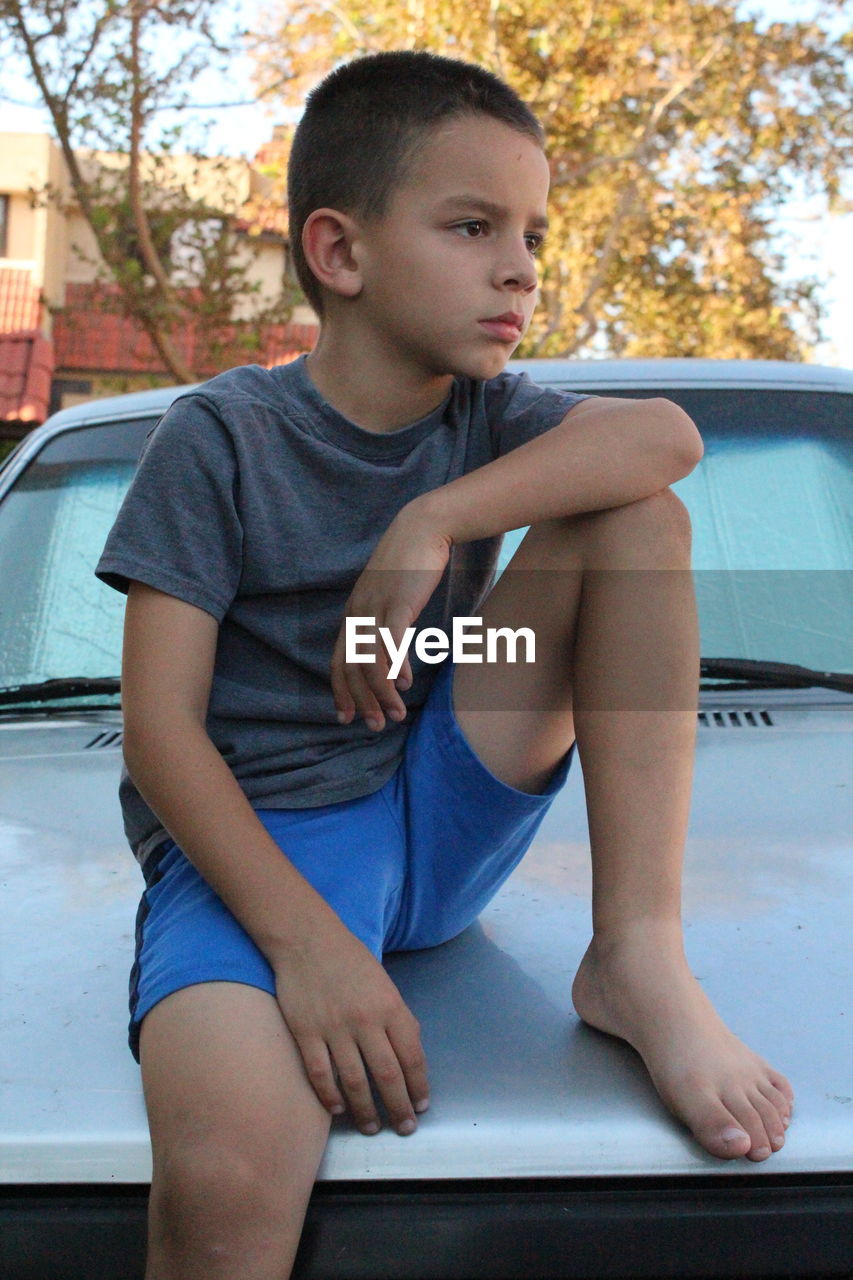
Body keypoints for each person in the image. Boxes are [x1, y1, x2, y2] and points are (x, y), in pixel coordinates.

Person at [96, 48, 793, 1280]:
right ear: (340, 252)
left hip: (444, 787)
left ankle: (635, 950)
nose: (520, 266)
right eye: (474, 226)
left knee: (635, 516)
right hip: (273, 843)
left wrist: (436, 520)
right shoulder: (217, 438)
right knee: (221, 1186)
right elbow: (160, 733)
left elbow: (666, 437)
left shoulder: (485, 415)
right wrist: (309, 947)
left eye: (530, 231)